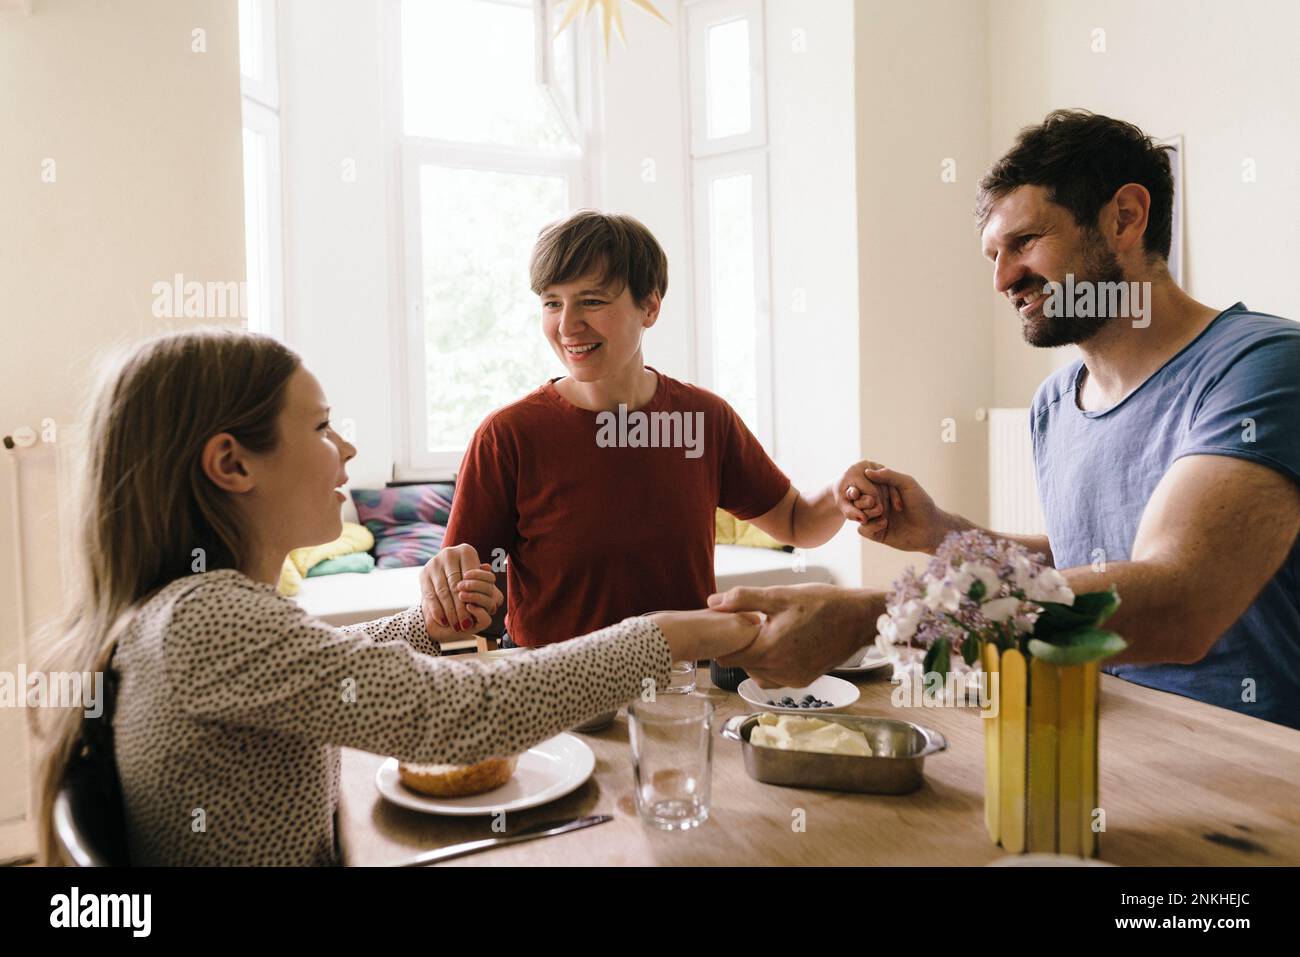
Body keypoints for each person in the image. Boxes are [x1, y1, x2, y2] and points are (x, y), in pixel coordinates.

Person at [32, 328, 760, 866]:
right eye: (320, 427)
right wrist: (679, 633)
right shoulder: (209, 619)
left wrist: (426, 625)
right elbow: (471, 714)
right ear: (231, 463)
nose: (346, 449)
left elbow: (325, 663)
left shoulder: (192, 610)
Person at [711, 111, 1300, 731]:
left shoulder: (1262, 366)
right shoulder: (1055, 403)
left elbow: (1181, 602)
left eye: (1024, 243)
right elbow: (1084, 573)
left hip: (1254, 764)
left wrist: (880, 615)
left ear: (1125, 216)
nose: (1002, 280)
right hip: (1097, 732)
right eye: (993, 255)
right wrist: (945, 535)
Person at [421, 210, 886, 648]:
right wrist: (453, 598)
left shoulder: (703, 419)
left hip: (683, 686)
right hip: (555, 700)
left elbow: (794, 522)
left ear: (650, 307)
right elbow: (467, 607)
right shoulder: (507, 436)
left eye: (592, 301)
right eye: (551, 303)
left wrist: (840, 493)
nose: (567, 325)